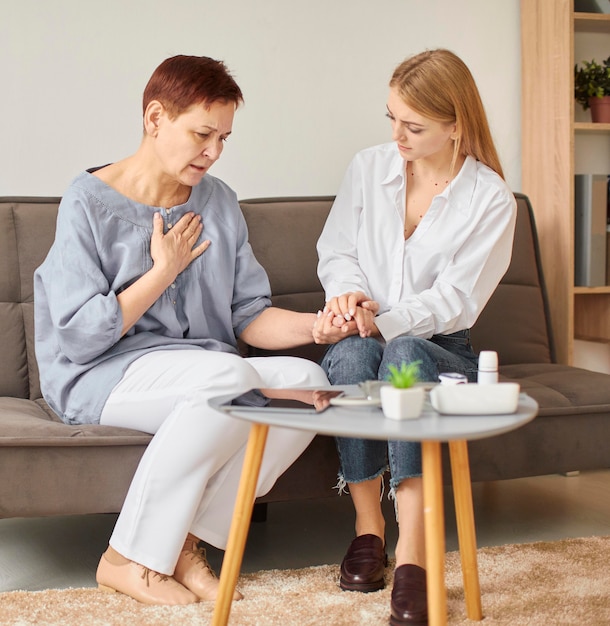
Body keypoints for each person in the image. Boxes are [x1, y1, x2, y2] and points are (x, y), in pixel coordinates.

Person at [34, 55, 329, 606]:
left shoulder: (218, 201)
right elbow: (78, 336)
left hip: (204, 370)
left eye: (223, 138)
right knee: (225, 377)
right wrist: (162, 272)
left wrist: (320, 326)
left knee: (306, 384)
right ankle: (127, 559)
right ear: (154, 118)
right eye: (202, 133)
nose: (214, 151)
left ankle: (183, 544)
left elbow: (249, 315)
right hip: (102, 376)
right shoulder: (87, 201)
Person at [313, 49, 517, 626]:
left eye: (415, 125)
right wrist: (351, 297)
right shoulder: (367, 167)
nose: (397, 134)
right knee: (352, 355)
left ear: (456, 124)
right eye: (392, 119)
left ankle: (414, 553)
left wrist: (389, 320)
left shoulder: (490, 199)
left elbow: (458, 298)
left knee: (399, 355)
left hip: (439, 349)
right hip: (365, 331)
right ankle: (367, 530)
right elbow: (338, 249)